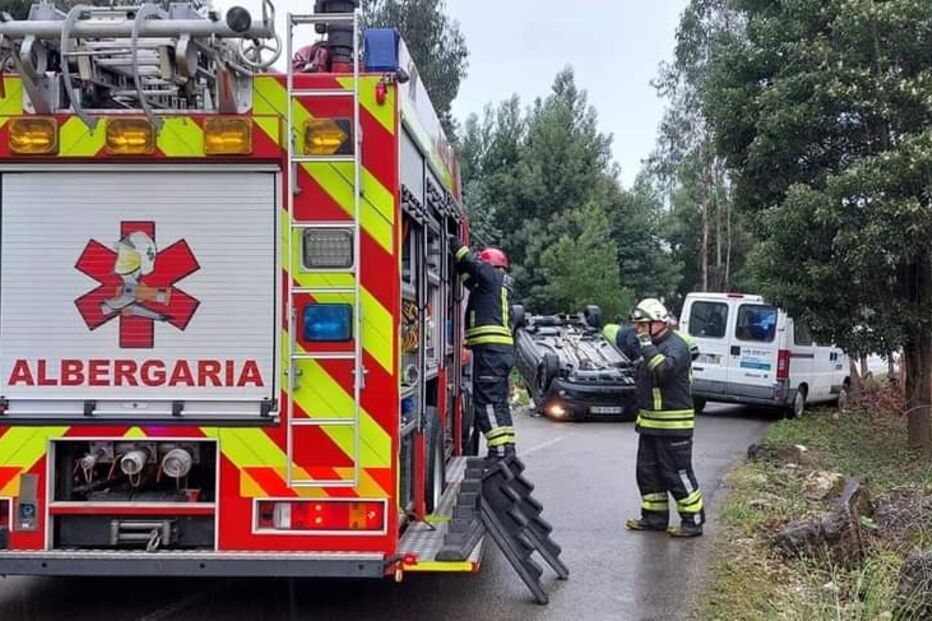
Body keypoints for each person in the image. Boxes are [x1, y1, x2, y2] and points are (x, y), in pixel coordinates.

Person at [625, 298, 704, 538]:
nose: (637, 330)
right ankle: (654, 518)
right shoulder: (649, 346)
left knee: (677, 475)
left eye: (642, 325)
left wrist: (647, 347)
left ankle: (693, 521)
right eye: (636, 325)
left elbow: (663, 371)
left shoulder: (676, 346)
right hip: (650, 426)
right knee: (648, 474)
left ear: (658, 323)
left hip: (674, 427)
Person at [452, 237, 516, 459]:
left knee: (487, 402)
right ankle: (506, 448)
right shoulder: (497, 283)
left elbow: (467, 260)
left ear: (489, 265)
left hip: (490, 352)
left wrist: (453, 241)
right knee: (498, 402)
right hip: (499, 352)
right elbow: (469, 279)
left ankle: (498, 452)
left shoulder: (490, 275)